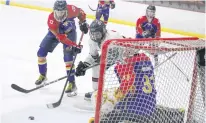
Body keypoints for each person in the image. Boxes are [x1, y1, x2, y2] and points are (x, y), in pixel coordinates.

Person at [35, 0, 89, 96]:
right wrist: (74, 46)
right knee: (41, 53)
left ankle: (72, 83)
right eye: (57, 12)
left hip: (70, 33)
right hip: (56, 33)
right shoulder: (51, 19)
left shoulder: (71, 9)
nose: (59, 15)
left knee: (68, 58)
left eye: (62, 12)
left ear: (66, 10)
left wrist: (83, 22)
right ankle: (43, 75)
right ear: (54, 11)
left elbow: (81, 12)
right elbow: (61, 38)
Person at [75, 19, 124, 100]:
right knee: (96, 67)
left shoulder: (111, 37)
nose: (94, 37)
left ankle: (126, 90)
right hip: (110, 54)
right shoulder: (92, 41)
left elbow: (114, 54)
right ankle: (97, 91)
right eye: (92, 34)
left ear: (103, 31)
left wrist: (95, 62)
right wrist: (84, 65)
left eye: (97, 34)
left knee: (123, 70)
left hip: (125, 53)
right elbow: (93, 56)